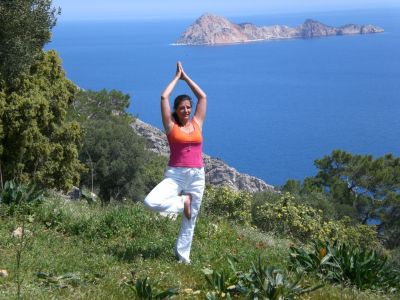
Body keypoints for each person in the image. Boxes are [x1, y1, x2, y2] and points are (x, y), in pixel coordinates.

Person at [144, 61, 207, 264]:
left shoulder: (197, 123)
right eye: (182, 108)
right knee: (151, 202)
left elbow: (202, 97)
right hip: (176, 174)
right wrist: (176, 78)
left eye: (189, 107)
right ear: (176, 110)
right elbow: (164, 97)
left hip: (197, 174)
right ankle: (183, 202)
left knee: (191, 219)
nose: (187, 111)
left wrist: (186, 77)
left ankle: (183, 258)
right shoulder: (171, 126)